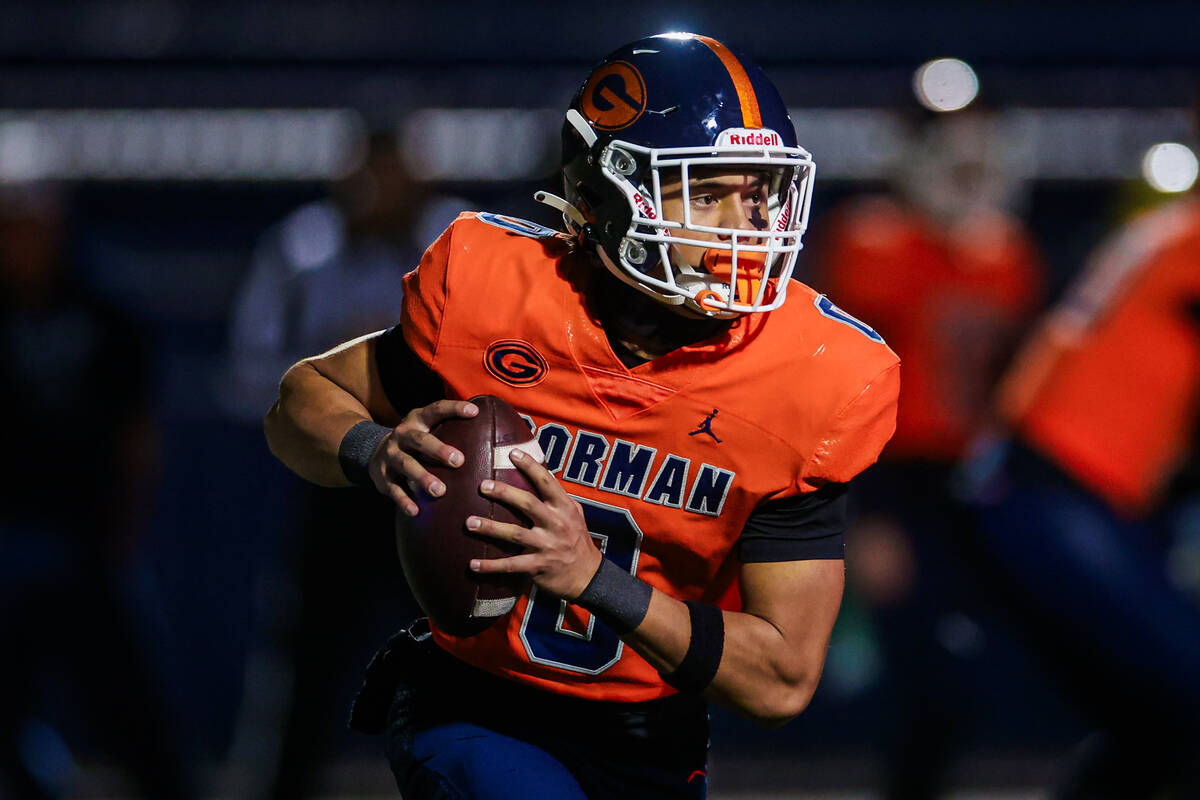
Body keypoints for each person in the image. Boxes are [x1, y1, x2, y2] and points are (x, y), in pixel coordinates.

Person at [264, 33, 900, 799]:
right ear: (609, 196)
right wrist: (375, 449)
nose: (747, 225)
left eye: (760, 192)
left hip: (651, 734)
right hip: (479, 707)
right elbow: (298, 401)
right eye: (706, 194)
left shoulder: (811, 376)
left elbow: (781, 678)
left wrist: (597, 581)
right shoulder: (498, 296)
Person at [813, 108, 1043, 798]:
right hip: (896, 480)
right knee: (924, 675)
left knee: (964, 671)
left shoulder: (1007, 254)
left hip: (979, 484)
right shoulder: (872, 240)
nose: (963, 167)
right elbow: (842, 388)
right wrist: (865, 511)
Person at [224, 130, 454, 800]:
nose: (382, 187)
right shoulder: (304, 248)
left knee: (461, 651)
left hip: (440, 481)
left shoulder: (460, 242)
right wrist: (334, 383)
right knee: (309, 657)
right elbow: (251, 371)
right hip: (338, 481)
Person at [962, 190, 1200, 797]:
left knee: (1157, 724)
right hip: (1060, 487)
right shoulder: (1186, 239)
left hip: (1052, 487)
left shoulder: (1171, 230)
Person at [0, 184, 197, 799]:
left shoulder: (101, 310)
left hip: (86, 540)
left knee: (131, 707)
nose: (21, 242)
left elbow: (138, 435)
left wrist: (121, 529)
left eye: (31, 225)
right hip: (8, 541)